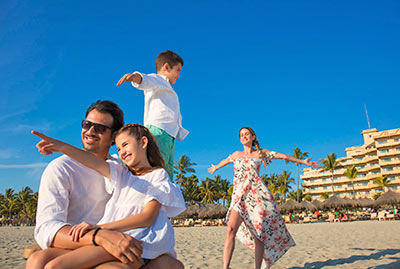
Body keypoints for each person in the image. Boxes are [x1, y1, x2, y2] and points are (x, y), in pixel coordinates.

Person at [27, 101, 183, 269]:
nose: (91, 131)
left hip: (128, 239)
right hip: (88, 239)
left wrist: (100, 230)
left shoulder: (130, 170)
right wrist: (62, 146)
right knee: (38, 261)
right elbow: (46, 228)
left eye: (100, 128)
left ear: (113, 137)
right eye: (87, 124)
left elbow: (147, 217)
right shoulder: (67, 168)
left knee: (56, 267)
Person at [208, 127, 318, 269]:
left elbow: (283, 156)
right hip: (239, 197)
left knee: (258, 235)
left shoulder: (260, 153)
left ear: (253, 137)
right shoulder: (237, 154)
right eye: (241, 135)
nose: (244, 137)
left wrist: (302, 162)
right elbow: (226, 160)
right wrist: (215, 167)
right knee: (230, 229)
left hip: (257, 197)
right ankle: (225, 267)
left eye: (247, 134)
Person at [116, 50, 189, 180]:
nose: (179, 75)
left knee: (167, 171)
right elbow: (145, 79)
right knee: (157, 168)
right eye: (177, 70)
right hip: (158, 131)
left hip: (168, 136)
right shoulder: (160, 80)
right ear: (166, 67)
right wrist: (135, 77)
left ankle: (167, 197)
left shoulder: (166, 86)